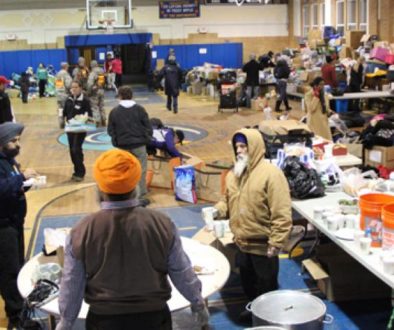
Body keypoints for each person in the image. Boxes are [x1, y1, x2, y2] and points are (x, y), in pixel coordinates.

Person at [55, 149, 209, 330]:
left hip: (104, 321)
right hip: (154, 319)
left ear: (100, 187)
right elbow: (182, 271)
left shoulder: (81, 231)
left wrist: (66, 321)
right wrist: (198, 303)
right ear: (136, 184)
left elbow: (72, 283)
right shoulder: (162, 224)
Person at [210, 128, 292, 319]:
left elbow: (281, 211)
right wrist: (217, 210)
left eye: (243, 146)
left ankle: (268, 320)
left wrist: (277, 241)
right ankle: (254, 312)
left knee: (266, 289)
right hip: (242, 243)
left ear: (254, 147)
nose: (238, 151)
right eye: (236, 146)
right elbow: (227, 200)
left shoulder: (271, 174)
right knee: (248, 284)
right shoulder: (234, 174)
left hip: (263, 246)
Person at [0, 122, 38, 329]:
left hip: (15, 223)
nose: (17, 144)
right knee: (9, 271)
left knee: (18, 266)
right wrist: (20, 179)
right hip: (2, 226)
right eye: (13, 141)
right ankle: (16, 318)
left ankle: (19, 309)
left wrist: (26, 184)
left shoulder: (10, 161)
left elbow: (12, 188)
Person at [107, 86, 152, 206]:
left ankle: (125, 195)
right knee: (141, 170)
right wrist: (146, 139)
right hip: (139, 144)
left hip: (122, 146)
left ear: (120, 96)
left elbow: (111, 130)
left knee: (124, 170)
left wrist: (116, 142)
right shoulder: (140, 109)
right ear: (132, 95)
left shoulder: (114, 111)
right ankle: (141, 195)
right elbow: (148, 126)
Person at [63, 80, 93, 182]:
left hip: (80, 130)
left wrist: (82, 118)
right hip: (70, 129)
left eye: (76, 87)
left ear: (80, 88)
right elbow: (64, 113)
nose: (74, 89)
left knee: (76, 149)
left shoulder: (85, 100)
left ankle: (81, 172)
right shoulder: (68, 99)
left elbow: (89, 114)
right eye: (72, 87)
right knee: (72, 151)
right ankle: (76, 171)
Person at [305, 77, 332, 141]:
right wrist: (316, 97)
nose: (322, 86)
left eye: (323, 84)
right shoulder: (308, 95)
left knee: (326, 141)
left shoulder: (324, 95)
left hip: (324, 122)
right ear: (315, 85)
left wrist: (330, 112)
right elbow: (311, 109)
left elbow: (326, 107)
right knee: (316, 141)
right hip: (314, 122)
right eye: (320, 84)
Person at [87, 60, 106, 127]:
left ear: (91, 65)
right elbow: (103, 81)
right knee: (101, 106)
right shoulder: (101, 71)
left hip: (95, 92)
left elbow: (90, 84)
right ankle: (103, 120)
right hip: (102, 90)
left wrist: (88, 92)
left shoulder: (93, 73)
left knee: (94, 107)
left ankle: (97, 121)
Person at [55, 62, 72, 128]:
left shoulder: (58, 74)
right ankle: (69, 123)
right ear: (66, 67)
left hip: (58, 95)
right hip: (65, 95)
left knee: (60, 110)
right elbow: (68, 85)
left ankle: (61, 123)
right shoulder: (65, 74)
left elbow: (57, 85)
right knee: (68, 109)